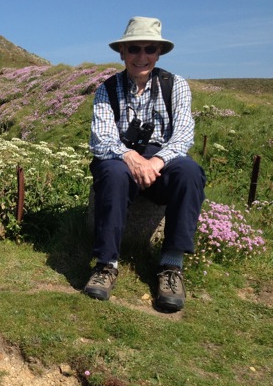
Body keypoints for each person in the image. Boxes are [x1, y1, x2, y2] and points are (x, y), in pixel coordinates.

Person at [84, 16, 206, 311]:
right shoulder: (106, 89)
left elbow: (183, 135)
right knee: (111, 173)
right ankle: (106, 264)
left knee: (190, 171)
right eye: (134, 49)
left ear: (158, 52)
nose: (142, 56)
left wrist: (155, 161)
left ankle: (171, 266)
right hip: (120, 159)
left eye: (149, 49)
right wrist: (130, 157)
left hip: (161, 162)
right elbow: (100, 139)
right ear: (122, 53)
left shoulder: (175, 85)